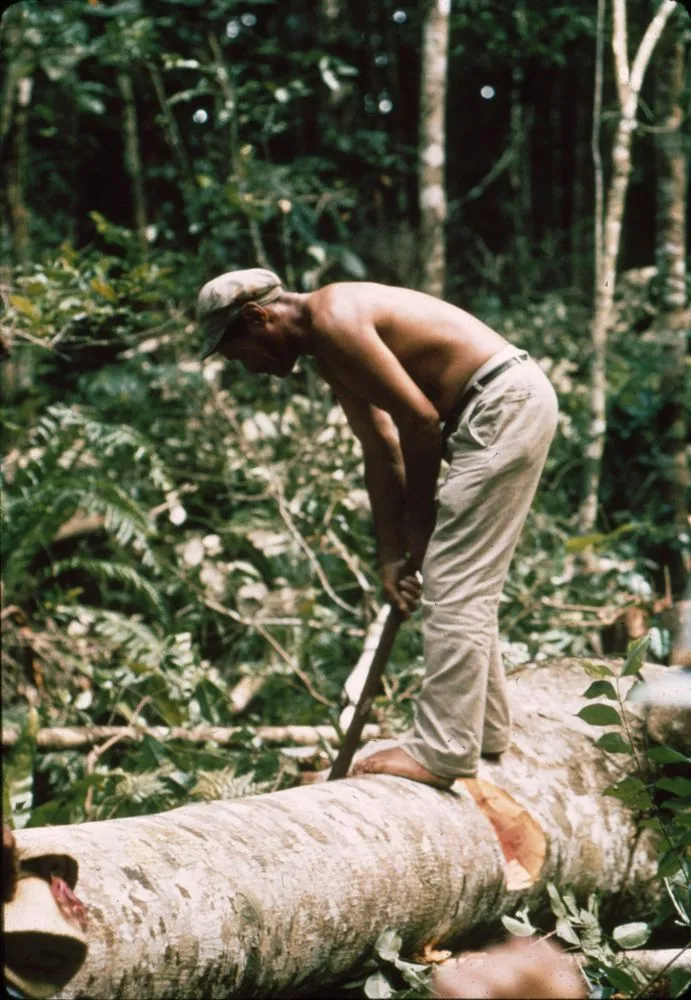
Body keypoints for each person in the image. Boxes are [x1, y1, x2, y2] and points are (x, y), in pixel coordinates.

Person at [196, 268, 558, 790]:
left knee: (455, 580)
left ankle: (444, 751)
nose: (247, 367)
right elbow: (382, 448)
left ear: (259, 317)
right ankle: (484, 729)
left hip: (501, 404)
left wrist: (420, 526)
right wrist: (392, 554)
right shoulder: (327, 347)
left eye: (238, 352)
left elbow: (420, 422)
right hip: (503, 406)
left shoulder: (336, 317)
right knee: (462, 578)